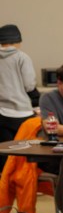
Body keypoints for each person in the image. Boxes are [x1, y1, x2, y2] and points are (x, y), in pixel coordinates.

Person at [0, 24, 36, 173]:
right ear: (18, 40)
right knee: (26, 151)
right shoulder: (22, 57)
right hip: (23, 113)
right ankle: (25, 183)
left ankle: (4, 186)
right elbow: (29, 85)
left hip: (1, 113)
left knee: (4, 153)